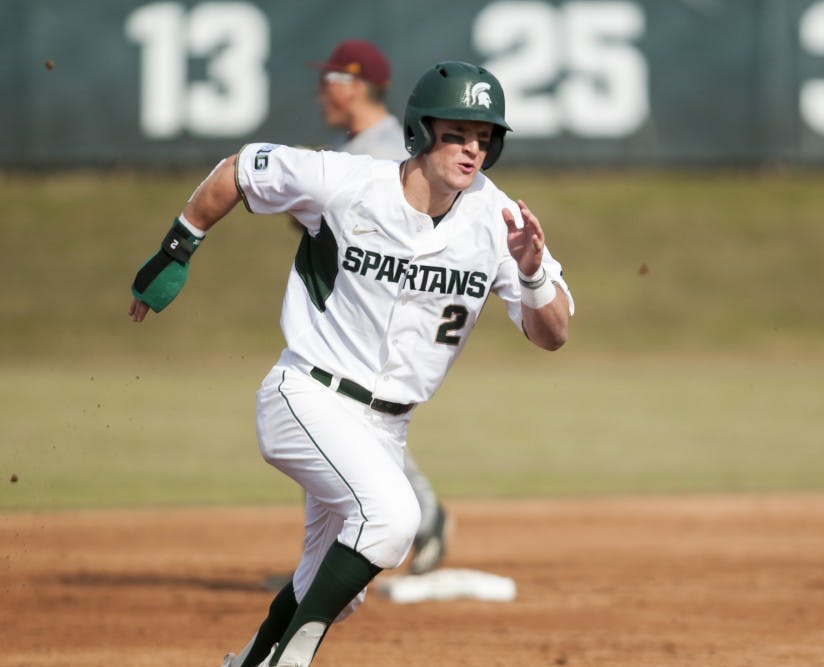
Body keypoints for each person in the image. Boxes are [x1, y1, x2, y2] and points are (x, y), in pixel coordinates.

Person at [128, 60, 573, 667]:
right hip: (307, 395)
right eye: (457, 133)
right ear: (420, 132)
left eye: (484, 138)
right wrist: (180, 245)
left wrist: (530, 272)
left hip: (387, 428)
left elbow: (553, 334)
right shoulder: (347, 182)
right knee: (393, 519)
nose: (472, 149)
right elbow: (239, 170)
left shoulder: (498, 224)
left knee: (332, 593)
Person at [309, 38, 451, 576]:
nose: (320, 92)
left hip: (391, 309)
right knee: (347, 419)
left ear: (352, 86)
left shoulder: (385, 149)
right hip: (360, 305)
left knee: (360, 417)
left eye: (327, 81)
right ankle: (326, 555)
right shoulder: (361, 147)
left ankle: (424, 516)